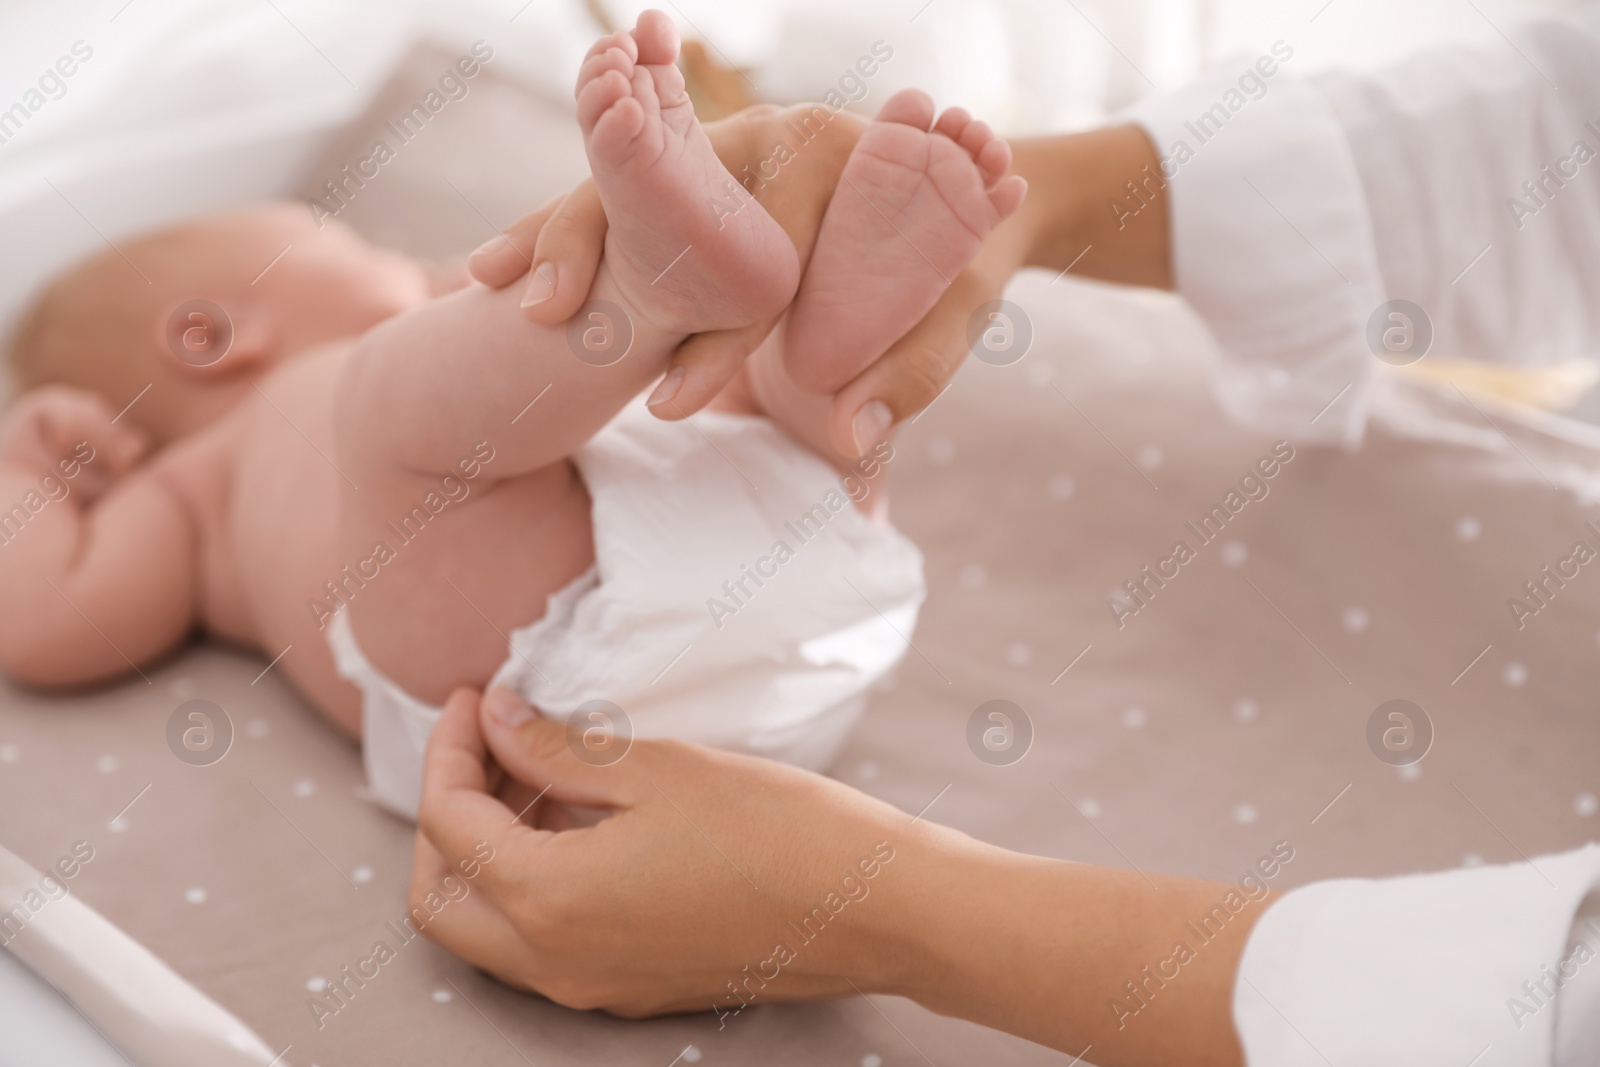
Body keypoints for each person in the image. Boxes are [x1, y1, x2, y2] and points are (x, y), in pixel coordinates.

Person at [432, 11, 1600, 1066]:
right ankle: (778, 354)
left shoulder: (263, 453)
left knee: (407, 429)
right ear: (235, 352)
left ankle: (670, 311)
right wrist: (1063, 191)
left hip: (545, 704)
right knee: (773, 448)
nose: (405, 277)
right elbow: (1569, 130)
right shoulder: (244, 439)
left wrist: (881, 907)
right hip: (806, 658)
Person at [0, 13, 1024, 819]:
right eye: (363, 254)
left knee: (722, 403)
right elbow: (42, 618)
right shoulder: (186, 489)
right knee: (389, 392)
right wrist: (27, 467)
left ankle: (797, 350)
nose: (412, 271)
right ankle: (694, 316)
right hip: (610, 706)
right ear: (212, 333)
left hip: (770, 670)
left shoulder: (256, 469)